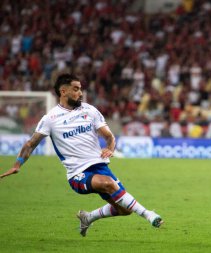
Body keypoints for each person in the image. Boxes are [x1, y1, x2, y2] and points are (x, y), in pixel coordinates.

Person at [0, 74, 163, 237]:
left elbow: (109, 136)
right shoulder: (50, 119)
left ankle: (88, 217)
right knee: (108, 183)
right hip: (78, 174)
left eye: (81, 89)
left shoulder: (90, 110)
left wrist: (110, 148)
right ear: (63, 91)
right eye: (76, 89)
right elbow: (30, 144)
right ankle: (149, 214)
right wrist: (17, 164)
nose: (81, 93)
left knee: (125, 209)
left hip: (100, 166)